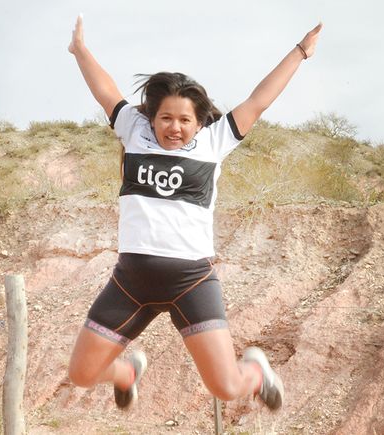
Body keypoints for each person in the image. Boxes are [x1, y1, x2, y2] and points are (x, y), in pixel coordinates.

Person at [66, 14, 322, 411]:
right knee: (81, 374)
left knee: (226, 387)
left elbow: (259, 99)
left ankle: (256, 371)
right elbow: (105, 90)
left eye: (185, 120)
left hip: (190, 281)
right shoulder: (133, 129)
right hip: (130, 281)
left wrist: (301, 51)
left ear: (199, 121)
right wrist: (80, 50)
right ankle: (127, 372)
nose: (174, 127)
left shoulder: (214, 141)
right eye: (166, 117)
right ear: (152, 116)